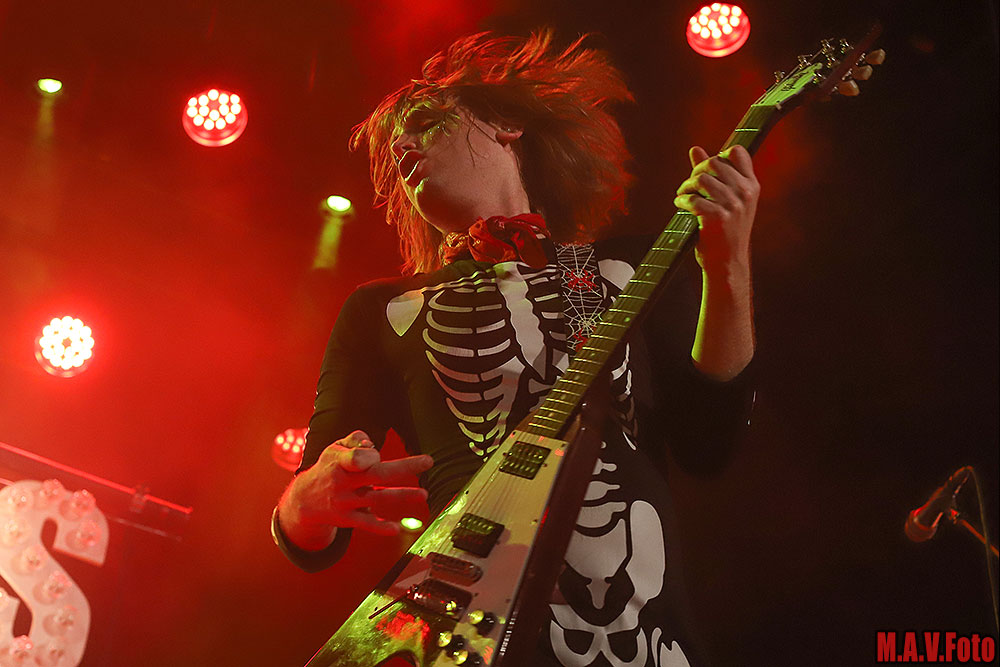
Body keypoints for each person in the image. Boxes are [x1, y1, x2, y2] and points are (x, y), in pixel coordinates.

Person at [273, 30, 758, 667]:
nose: (404, 147)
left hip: (644, 637)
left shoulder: (630, 266)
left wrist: (728, 265)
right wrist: (304, 504)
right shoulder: (381, 309)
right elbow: (313, 526)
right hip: (466, 635)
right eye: (395, 149)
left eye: (426, 123)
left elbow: (708, 443)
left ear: (506, 126)